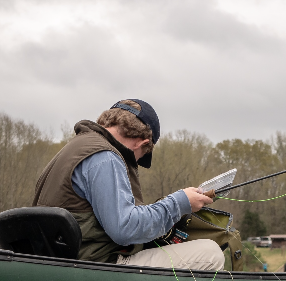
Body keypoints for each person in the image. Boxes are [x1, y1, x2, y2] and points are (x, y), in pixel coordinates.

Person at [33, 99, 225, 270]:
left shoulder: (74, 149)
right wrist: (179, 203)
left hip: (60, 264)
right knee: (210, 253)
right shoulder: (106, 158)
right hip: (93, 267)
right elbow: (124, 229)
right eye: (139, 158)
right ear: (141, 143)